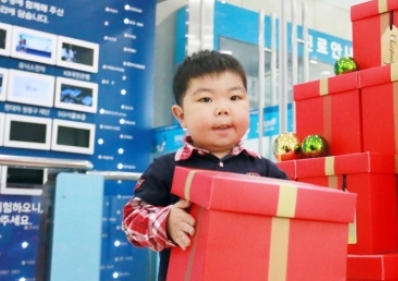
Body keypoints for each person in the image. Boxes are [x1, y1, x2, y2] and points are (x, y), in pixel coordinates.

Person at [122, 50, 288, 281]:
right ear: (181, 115)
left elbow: (293, 218)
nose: (223, 109)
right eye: (206, 99)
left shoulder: (266, 170)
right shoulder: (169, 168)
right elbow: (132, 220)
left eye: (234, 98)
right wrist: (166, 222)